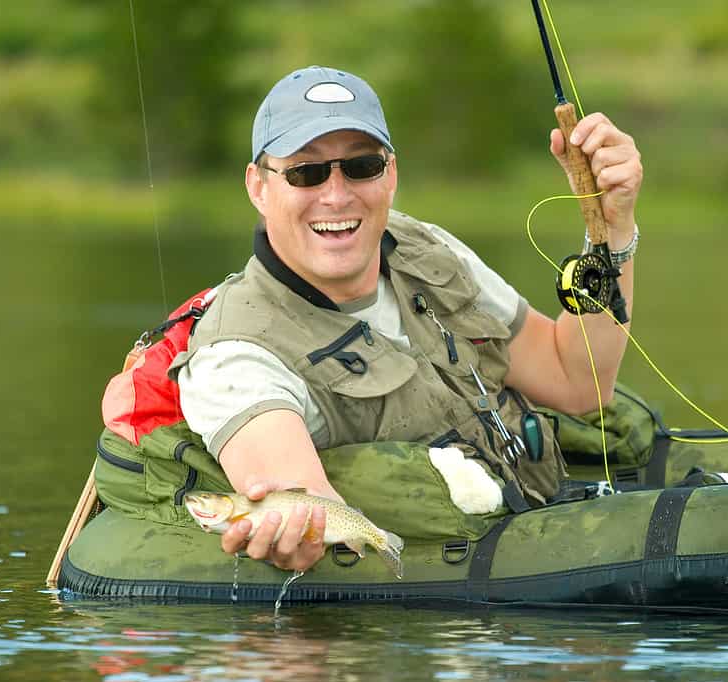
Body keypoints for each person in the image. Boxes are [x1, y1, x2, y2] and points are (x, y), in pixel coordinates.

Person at [174, 65, 643, 573]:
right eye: (305, 172)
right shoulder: (235, 356)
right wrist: (296, 533)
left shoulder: (426, 248)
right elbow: (299, 495)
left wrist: (612, 231)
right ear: (259, 187)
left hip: (539, 534)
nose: (335, 194)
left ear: (390, 174)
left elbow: (578, 381)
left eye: (361, 166)